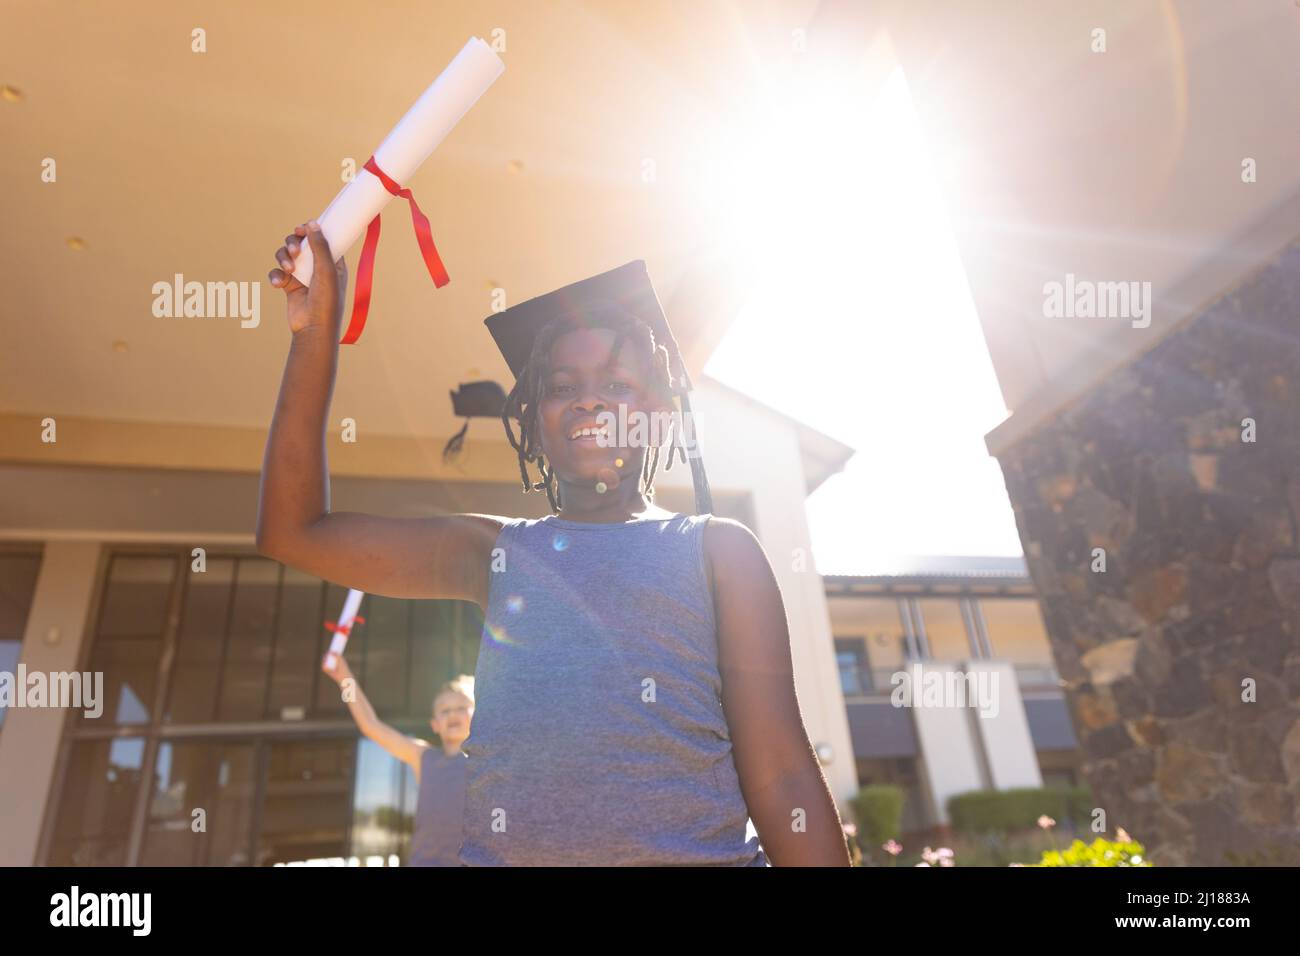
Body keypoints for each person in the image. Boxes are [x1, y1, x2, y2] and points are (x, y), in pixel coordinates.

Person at [258, 221, 850, 866]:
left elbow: (784, 776)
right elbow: (296, 533)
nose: (588, 399)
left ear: (655, 413)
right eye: (562, 386)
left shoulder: (717, 553)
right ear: (530, 422)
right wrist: (314, 335)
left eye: (618, 384)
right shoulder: (496, 554)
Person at [321, 653, 472, 867]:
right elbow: (370, 726)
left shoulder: (488, 763)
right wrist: (343, 677)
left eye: (461, 708)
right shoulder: (423, 757)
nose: (452, 714)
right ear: (434, 724)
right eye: (444, 711)